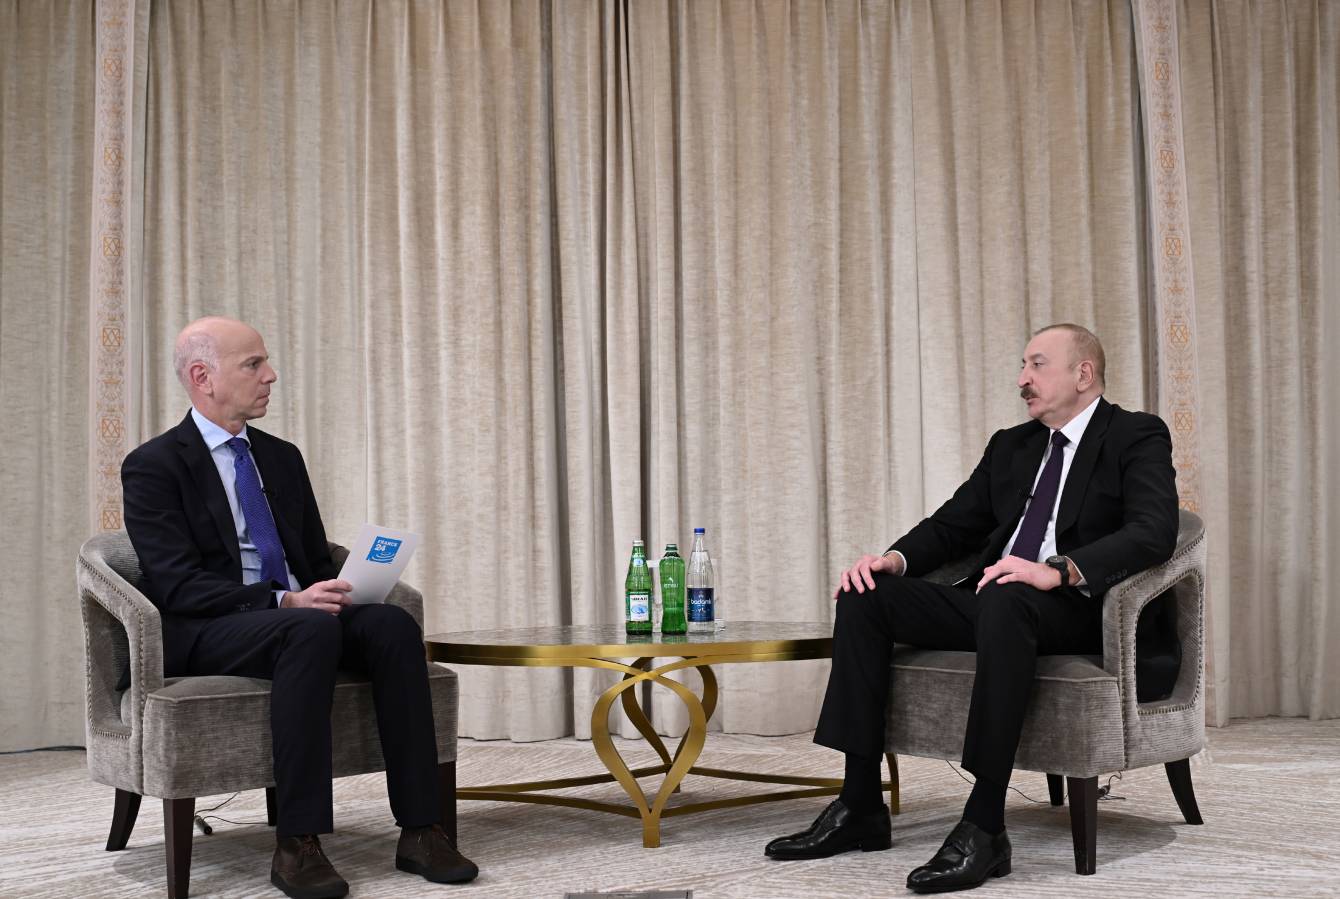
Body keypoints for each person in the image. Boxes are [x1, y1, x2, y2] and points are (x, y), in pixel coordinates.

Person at [764, 324, 1178, 893]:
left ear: (1083, 374)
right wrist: (893, 559)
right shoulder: (1012, 445)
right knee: (865, 594)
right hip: (996, 602)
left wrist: (1057, 569)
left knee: (1008, 595)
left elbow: (1154, 531)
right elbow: (953, 525)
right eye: (1022, 366)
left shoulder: (1135, 434)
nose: (1022, 379)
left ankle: (984, 827)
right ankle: (859, 805)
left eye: (1036, 365)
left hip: (1079, 609)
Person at [122, 317, 478, 899]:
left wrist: (343, 586)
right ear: (203, 377)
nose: (271, 375)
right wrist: (284, 600)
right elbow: (176, 584)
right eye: (253, 364)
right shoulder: (155, 465)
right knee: (308, 630)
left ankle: (421, 829)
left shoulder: (280, 456)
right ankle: (298, 843)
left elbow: (310, 557)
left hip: (296, 614)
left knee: (390, 624)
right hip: (214, 627)